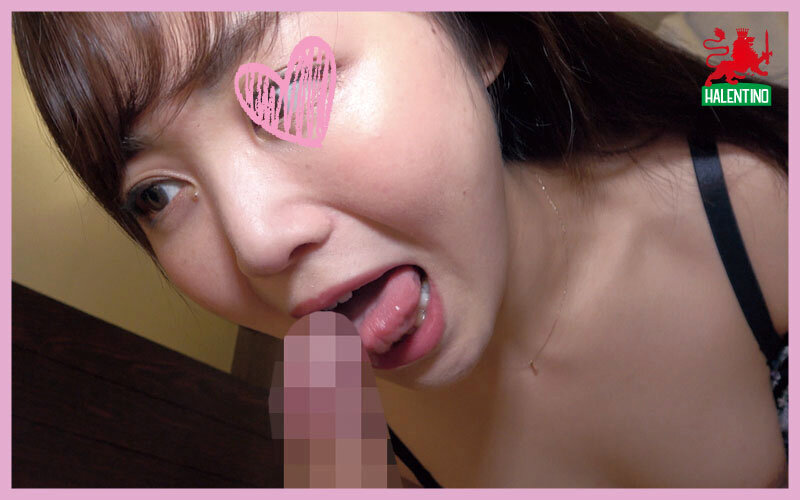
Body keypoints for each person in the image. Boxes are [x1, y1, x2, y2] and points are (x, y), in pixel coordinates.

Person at [12, 12, 787, 487]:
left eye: (290, 85)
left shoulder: (763, 205)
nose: (255, 241)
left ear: (479, 35)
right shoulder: (331, 419)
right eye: (156, 193)